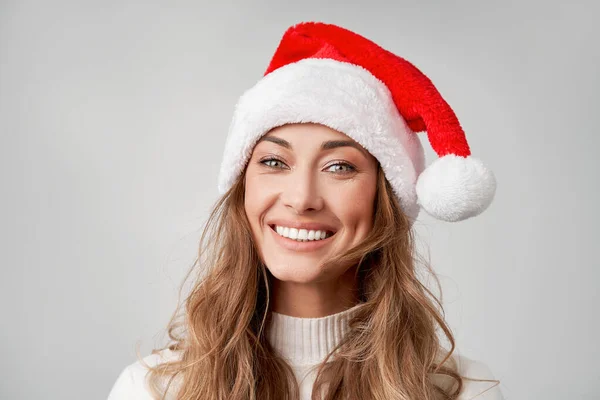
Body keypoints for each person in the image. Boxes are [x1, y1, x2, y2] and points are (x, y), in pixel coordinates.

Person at [107, 21, 503, 400]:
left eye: (340, 167)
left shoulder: (466, 392)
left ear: (385, 200)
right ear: (243, 189)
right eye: (274, 162)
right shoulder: (152, 390)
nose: (301, 198)